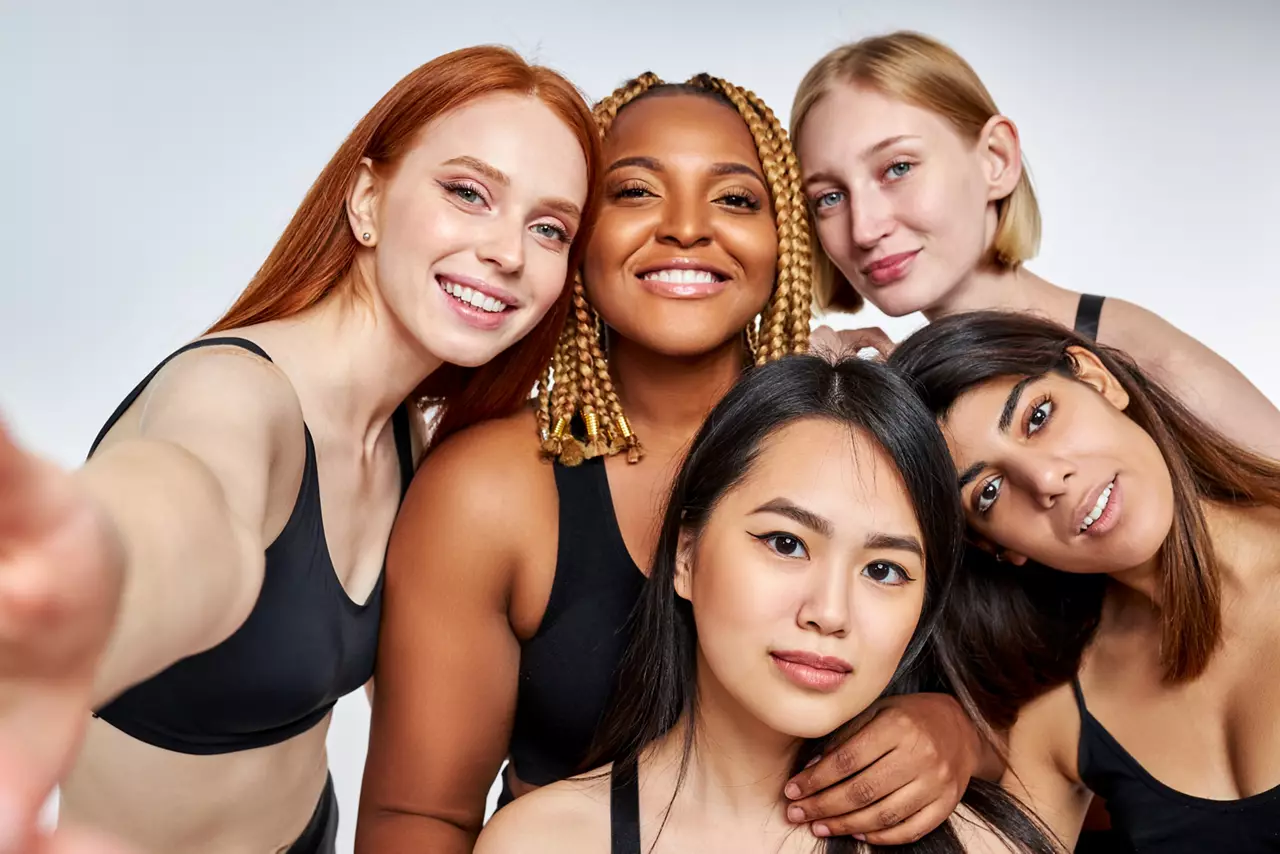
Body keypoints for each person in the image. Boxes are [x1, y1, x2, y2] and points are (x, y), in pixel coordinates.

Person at [357, 71, 989, 853]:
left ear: (784, 235)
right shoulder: (490, 490)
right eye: (633, 192)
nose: (688, 229)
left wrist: (956, 731)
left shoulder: (878, 442)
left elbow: (1055, 716)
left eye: (734, 199)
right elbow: (419, 819)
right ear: (574, 231)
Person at [0, 45, 599, 854]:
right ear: (366, 200)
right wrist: (100, 569)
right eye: (468, 193)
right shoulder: (234, 396)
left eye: (548, 227)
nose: (508, 252)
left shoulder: (410, 441)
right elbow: (191, 506)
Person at [473, 354, 1056, 854]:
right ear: (685, 555)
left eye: (883, 570)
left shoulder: (985, 844)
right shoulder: (541, 841)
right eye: (786, 543)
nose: (829, 612)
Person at [888, 310, 1280, 853]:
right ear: (998, 547)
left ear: (1098, 378)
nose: (1047, 480)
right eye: (990, 492)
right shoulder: (1059, 713)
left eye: (1038, 416)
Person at [789, 30, 1280, 459]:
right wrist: (810, 387)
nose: (864, 229)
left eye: (898, 168)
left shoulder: (1143, 359)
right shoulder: (906, 394)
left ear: (996, 159)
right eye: (829, 197)